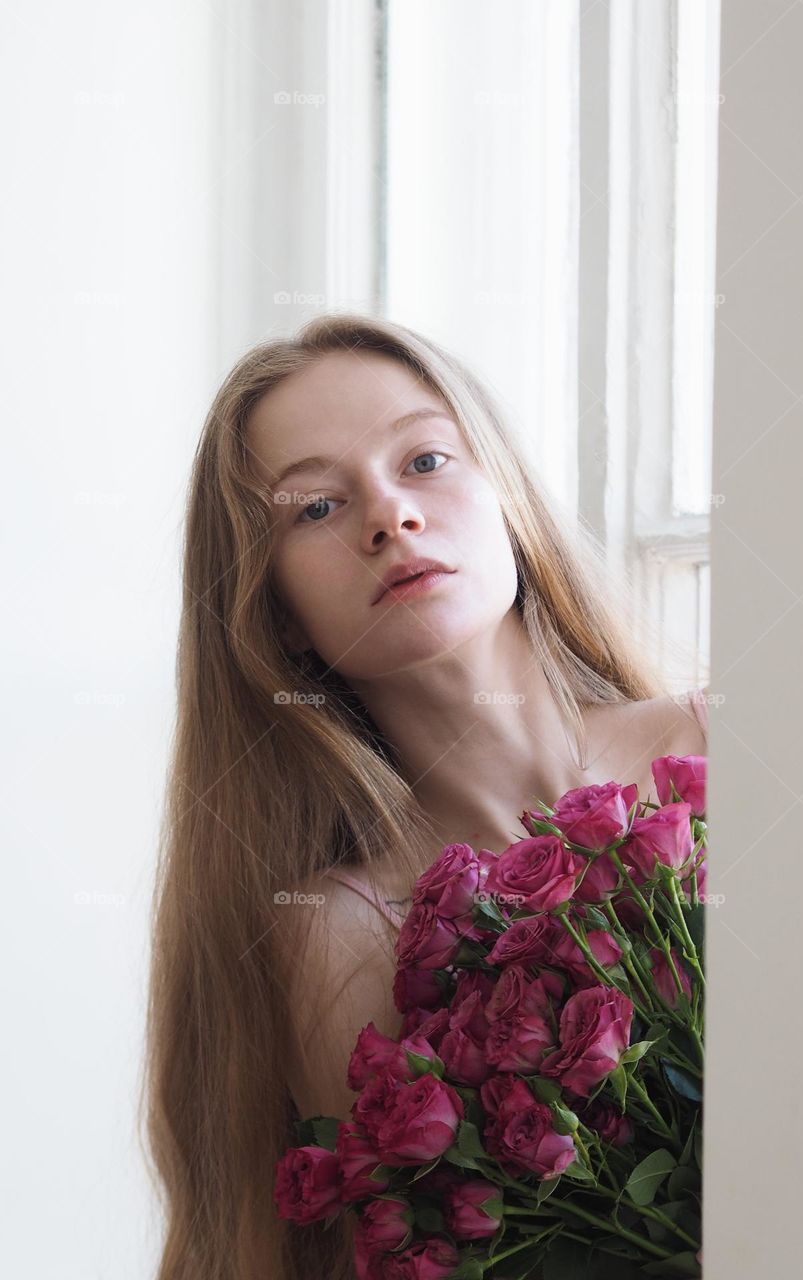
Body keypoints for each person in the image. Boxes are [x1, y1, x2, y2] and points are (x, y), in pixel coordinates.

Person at [141, 311, 709, 1280]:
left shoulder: (719, 739)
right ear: (274, 611)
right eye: (313, 507)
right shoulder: (339, 932)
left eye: (428, 460)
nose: (388, 516)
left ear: (509, 496)